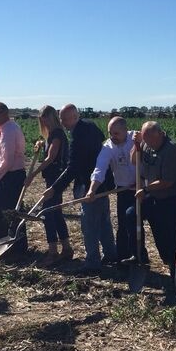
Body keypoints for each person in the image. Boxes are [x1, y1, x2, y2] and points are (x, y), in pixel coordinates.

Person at [46, 104, 116, 275]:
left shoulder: (78, 135)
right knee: (103, 221)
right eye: (61, 119)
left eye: (64, 119)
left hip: (89, 184)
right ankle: (111, 255)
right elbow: (100, 140)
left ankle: (93, 263)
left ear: (74, 117)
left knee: (89, 224)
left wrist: (55, 188)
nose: (62, 123)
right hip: (104, 182)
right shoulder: (90, 125)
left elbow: (73, 168)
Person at [126, 121, 176, 287]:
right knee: (132, 214)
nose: (148, 144)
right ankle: (139, 255)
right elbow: (134, 162)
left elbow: (167, 181)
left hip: (169, 199)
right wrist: (136, 144)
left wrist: (145, 190)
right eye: (145, 140)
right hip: (153, 196)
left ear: (160, 134)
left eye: (149, 140)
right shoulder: (146, 144)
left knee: (169, 237)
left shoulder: (171, 150)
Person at [24, 105, 74, 266]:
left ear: (50, 118)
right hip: (53, 178)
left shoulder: (57, 135)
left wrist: (33, 174)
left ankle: (53, 251)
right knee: (56, 213)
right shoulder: (52, 135)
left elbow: (51, 157)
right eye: (41, 120)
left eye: (45, 119)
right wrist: (42, 143)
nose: (43, 123)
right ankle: (66, 248)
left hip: (55, 179)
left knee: (47, 214)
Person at [86, 116, 136, 262]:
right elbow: (99, 169)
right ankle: (123, 258)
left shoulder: (136, 138)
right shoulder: (108, 147)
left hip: (143, 187)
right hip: (123, 190)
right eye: (110, 133)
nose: (112, 137)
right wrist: (92, 190)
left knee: (138, 222)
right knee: (124, 223)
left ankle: (139, 255)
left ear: (125, 130)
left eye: (116, 133)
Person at [0, 102, 27, 249]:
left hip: (12, 176)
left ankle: (16, 247)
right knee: (9, 212)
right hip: (10, 175)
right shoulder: (6, 129)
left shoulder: (10, 130)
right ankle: (11, 245)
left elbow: (8, 161)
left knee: (10, 213)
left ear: (5, 113)